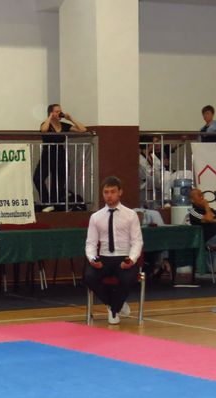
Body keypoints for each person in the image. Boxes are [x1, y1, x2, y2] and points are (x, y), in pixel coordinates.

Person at [84, 176, 143, 325]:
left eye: (113, 192)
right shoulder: (96, 217)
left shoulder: (130, 215)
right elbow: (90, 243)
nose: (109, 195)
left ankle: (114, 309)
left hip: (124, 257)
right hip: (104, 257)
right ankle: (116, 304)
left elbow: (137, 241)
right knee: (89, 276)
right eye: (106, 192)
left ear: (120, 192)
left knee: (128, 278)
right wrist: (93, 259)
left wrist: (131, 259)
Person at [33, 103, 87, 205]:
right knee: (37, 178)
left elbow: (83, 129)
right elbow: (43, 130)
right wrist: (50, 117)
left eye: (60, 111)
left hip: (60, 156)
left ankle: (54, 205)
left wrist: (70, 118)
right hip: (47, 156)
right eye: (57, 111)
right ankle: (46, 201)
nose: (60, 113)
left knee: (57, 183)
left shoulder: (64, 125)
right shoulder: (46, 124)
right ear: (51, 113)